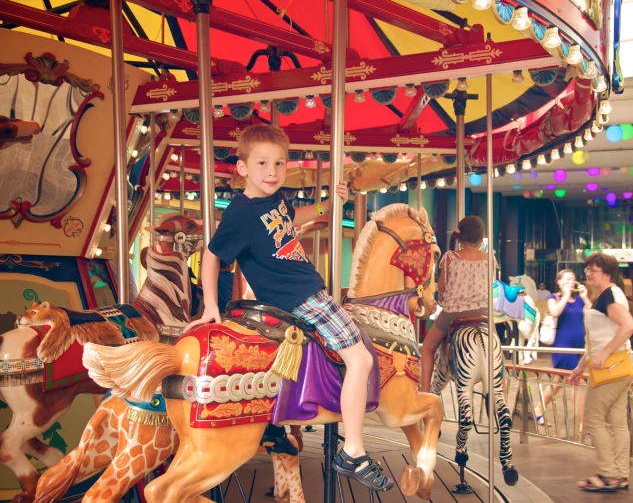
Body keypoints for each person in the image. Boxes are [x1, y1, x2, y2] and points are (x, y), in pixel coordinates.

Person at [186, 124, 392, 492]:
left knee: (357, 351)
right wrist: (210, 306)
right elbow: (212, 255)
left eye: (279, 164)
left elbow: (293, 217)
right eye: (262, 163)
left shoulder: (274, 200)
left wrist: (331, 203)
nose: (272, 172)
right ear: (242, 168)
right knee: (360, 359)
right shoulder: (240, 213)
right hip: (300, 298)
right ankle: (354, 450)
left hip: (310, 291)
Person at [569, 252, 633, 492]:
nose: (587, 273)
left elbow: (629, 326)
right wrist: (580, 368)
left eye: (592, 270)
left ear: (606, 273)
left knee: (593, 417)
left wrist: (605, 353)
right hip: (620, 366)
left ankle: (608, 473)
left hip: (613, 367)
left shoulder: (610, 295)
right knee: (617, 422)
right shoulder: (608, 295)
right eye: (587, 269)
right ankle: (620, 474)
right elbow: (598, 340)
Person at [421, 215, 495, 393]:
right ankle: (501, 387)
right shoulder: (490, 258)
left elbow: (442, 286)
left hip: (454, 313)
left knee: (428, 347)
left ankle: (424, 390)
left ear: (460, 238)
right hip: (483, 313)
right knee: (494, 347)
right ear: (481, 236)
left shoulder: (451, 257)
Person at [533, 269, 591, 426]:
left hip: (578, 346)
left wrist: (585, 298)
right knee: (576, 383)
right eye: (567, 279)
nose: (571, 281)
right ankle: (582, 423)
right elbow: (554, 312)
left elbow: (592, 313)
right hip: (563, 346)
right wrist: (565, 296)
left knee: (558, 381)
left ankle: (538, 409)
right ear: (559, 282)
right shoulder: (554, 297)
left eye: (573, 279)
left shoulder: (579, 299)